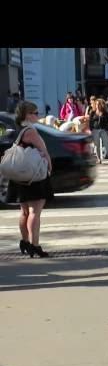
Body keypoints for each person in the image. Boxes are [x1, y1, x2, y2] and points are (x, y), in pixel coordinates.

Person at [5, 101, 53, 258]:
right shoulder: (31, 131)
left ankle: (25, 242)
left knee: (24, 211)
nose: (37, 115)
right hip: (33, 176)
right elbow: (43, 151)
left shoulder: (19, 129)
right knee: (35, 212)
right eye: (35, 112)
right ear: (27, 115)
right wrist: (49, 166)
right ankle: (35, 245)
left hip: (20, 175)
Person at [90, 98, 108, 164]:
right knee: (96, 145)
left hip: (103, 130)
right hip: (95, 130)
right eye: (97, 104)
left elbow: (107, 122)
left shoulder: (105, 113)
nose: (97, 105)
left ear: (102, 105)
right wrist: (91, 129)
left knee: (107, 144)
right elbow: (90, 122)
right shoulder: (93, 112)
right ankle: (98, 159)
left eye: (99, 104)